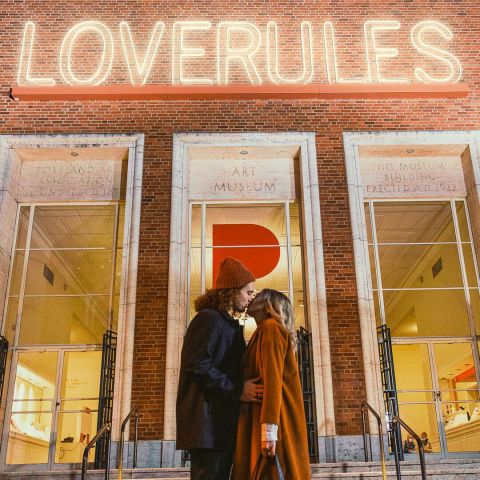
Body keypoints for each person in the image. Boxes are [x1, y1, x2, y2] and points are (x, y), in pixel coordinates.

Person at [176, 257, 263, 480]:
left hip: (217, 426)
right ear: (232, 291)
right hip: (209, 428)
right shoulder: (208, 320)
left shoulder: (223, 322)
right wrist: (237, 390)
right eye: (248, 292)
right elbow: (197, 364)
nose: (251, 297)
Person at [231, 289, 310, 480]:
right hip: (267, 417)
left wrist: (268, 432)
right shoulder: (264, 329)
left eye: (257, 295)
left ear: (268, 304)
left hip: (274, 421)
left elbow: (272, 378)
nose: (252, 298)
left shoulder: (270, 328)